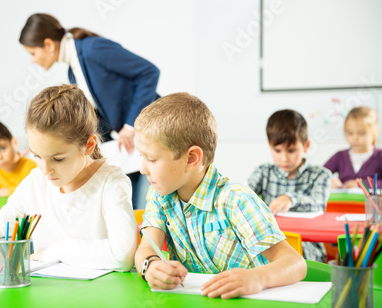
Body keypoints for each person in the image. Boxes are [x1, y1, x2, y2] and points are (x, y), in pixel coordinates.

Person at [133, 93, 306, 299]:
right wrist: (150, 266)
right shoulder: (160, 195)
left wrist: (257, 278)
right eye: (141, 156)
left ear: (191, 159)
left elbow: (296, 264)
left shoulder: (236, 200)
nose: (142, 168)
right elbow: (145, 249)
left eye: (151, 159)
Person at [0, 85, 137, 271]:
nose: (45, 170)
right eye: (37, 156)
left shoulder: (111, 181)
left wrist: (52, 253)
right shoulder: (35, 182)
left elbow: (123, 254)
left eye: (58, 159)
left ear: (89, 145)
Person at [19, 13, 160, 209]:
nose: (33, 60)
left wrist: (130, 125)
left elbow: (149, 72)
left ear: (49, 45)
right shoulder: (73, 70)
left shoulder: (92, 49)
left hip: (152, 136)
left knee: (147, 210)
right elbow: (98, 118)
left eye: (33, 53)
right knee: (131, 207)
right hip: (129, 151)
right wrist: (44, 143)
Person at [248, 109, 332, 262]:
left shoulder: (321, 175)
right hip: (269, 245)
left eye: (291, 150)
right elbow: (245, 197)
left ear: (306, 146)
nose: (284, 158)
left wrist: (290, 198)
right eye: (277, 150)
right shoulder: (263, 172)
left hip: (306, 247)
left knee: (292, 260)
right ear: (269, 145)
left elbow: (318, 203)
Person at [324, 106, 382, 189]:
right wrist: (329, 182)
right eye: (350, 133)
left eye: (361, 133)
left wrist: (360, 184)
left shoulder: (380, 156)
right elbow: (318, 176)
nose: (355, 138)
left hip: (372, 202)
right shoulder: (339, 156)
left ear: (375, 132)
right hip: (345, 201)